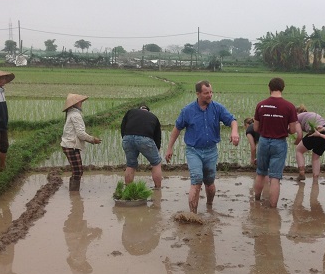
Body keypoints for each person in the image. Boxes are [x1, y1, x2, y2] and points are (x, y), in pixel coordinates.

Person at [164, 80, 239, 213]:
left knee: (209, 183)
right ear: (198, 94)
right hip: (194, 151)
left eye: (211, 92)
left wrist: (234, 131)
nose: (210, 95)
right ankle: (193, 214)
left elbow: (232, 120)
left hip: (211, 151)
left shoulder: (217, 108)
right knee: (196, 179)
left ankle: (209, 206)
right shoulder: (187, 111)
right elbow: (176, 129)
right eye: (206, 93)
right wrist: (169, 148)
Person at [253, 77, 302, 208]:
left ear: (269, 88)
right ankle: (273, 207)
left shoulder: (261, 105)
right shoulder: (289, 106)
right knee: (275, 177)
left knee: (261, 172)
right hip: (279, 143)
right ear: (282, 88)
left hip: (263, 142)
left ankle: (256, 200)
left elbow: (255, 128)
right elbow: (292, 130)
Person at [60, 94, 102, 192]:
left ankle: (73, 193)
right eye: (80, 102)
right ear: (75, 104)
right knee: (78, 171)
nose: (81, 103)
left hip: (69, 145)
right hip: (71, 146)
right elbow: (80, 134)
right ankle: (74, 194)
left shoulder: (71, 113)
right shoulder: (75, 115)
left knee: (76, 171)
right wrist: (92, 139)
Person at [120, 103, 162, 188]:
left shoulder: (130, 112)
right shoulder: (153, 117)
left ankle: (128, 188)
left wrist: (126, 139)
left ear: (139, 109)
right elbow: (157, 137)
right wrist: (156, 149)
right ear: (148, 111)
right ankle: (158, 188)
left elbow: (123, 127)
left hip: (127, 138)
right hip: (145, 138)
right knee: (156, 163)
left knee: (130, 165)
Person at [294, 104, 325, 181]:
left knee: (299, 150)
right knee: (316, 156)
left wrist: (296, 142)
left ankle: (301, 173)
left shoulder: (296, 118)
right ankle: (315, 179)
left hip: (317, 131)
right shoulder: (309, 114)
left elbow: (300, 135)